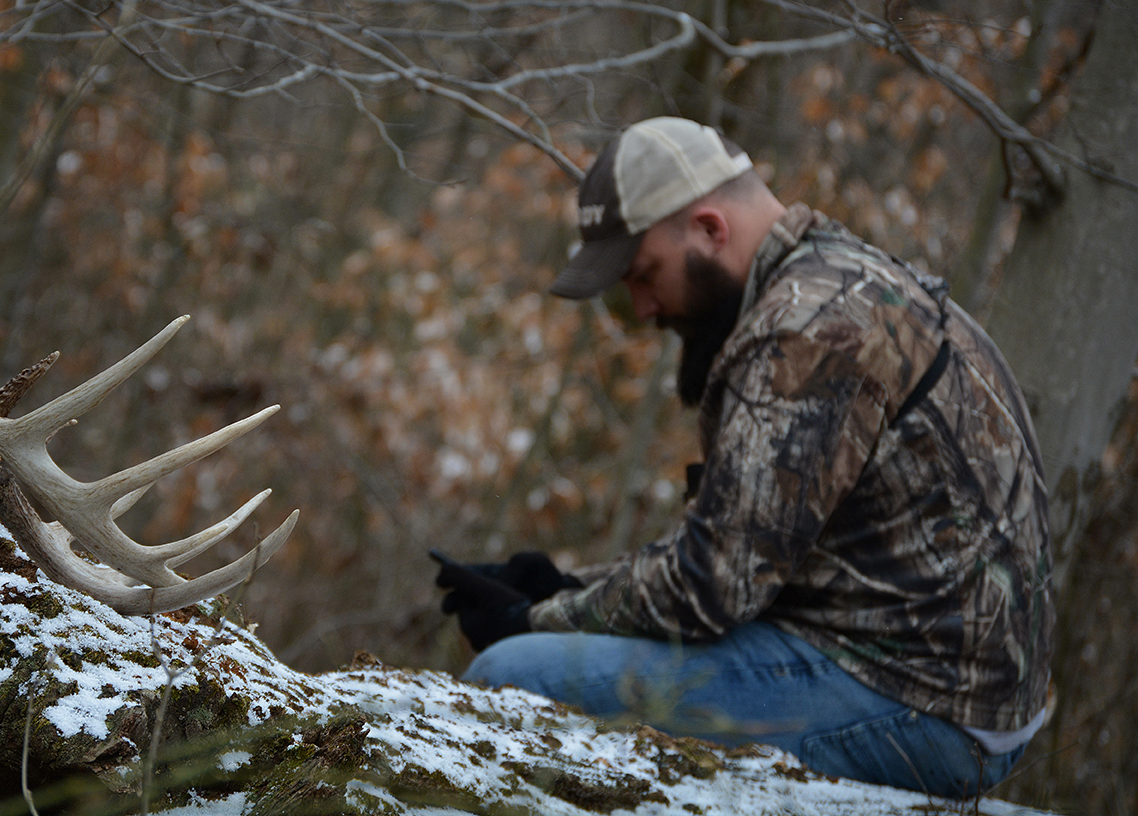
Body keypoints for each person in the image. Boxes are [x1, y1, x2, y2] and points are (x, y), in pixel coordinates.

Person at [434, 117, 1053, 798]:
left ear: (709, 229)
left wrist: (534, 618)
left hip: (921, 708)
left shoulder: (809, 328)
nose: (641, 308)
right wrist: (565, 585)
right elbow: (744, 553)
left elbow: (713, 588)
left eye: (643, 275)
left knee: (514, 676)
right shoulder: (838, 284)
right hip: (911, 676)